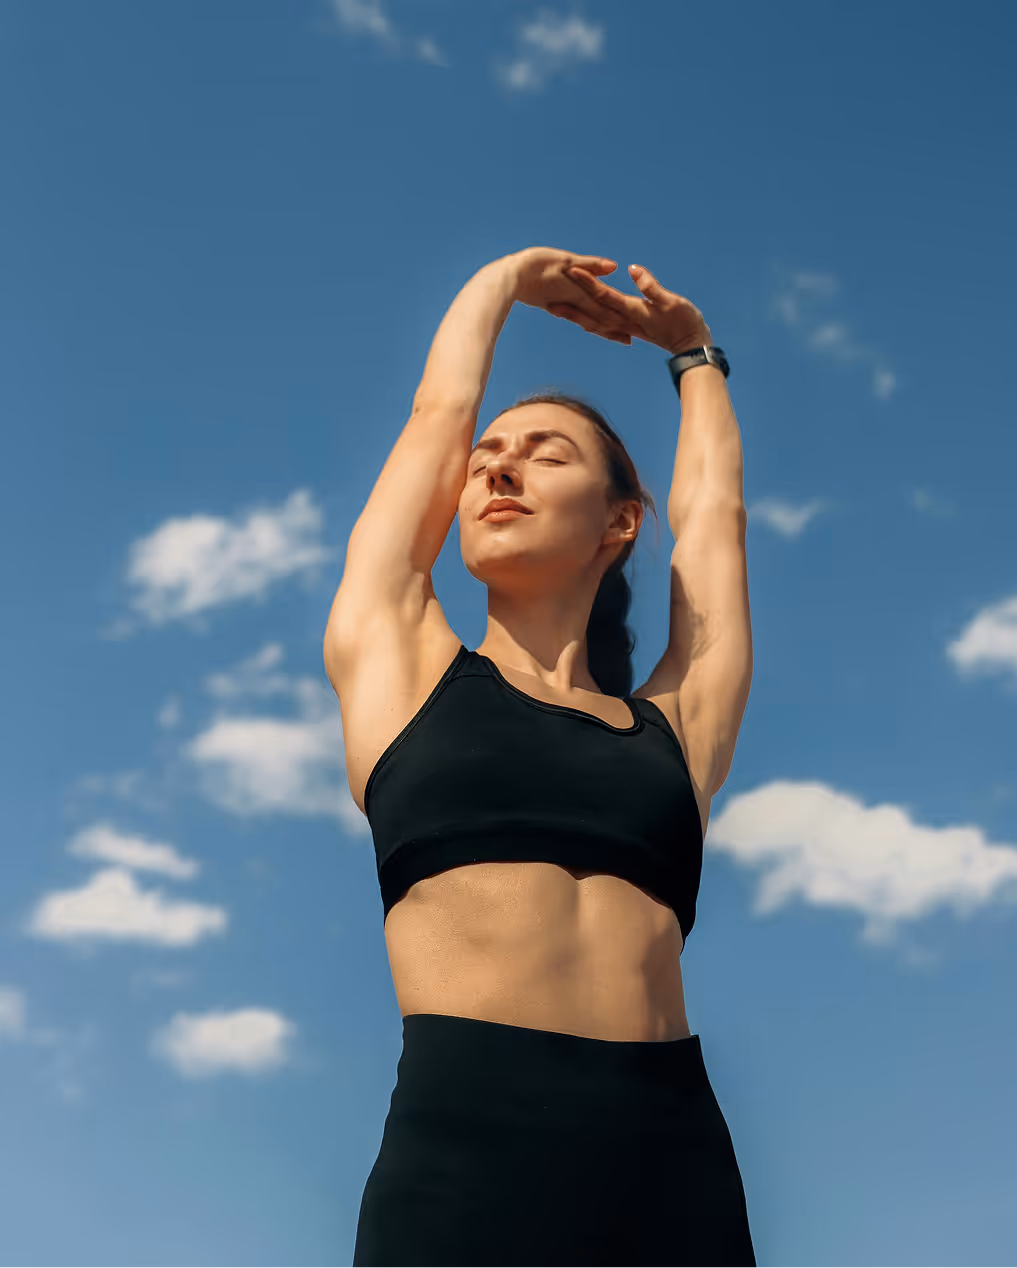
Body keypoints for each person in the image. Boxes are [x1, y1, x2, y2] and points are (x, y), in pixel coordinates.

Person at [324, 247, 756, 1266]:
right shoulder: (402, 666)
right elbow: (439, 420)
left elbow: (716, 531)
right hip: (465, 1157)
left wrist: (695, 355)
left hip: (672, 1160)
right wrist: (500, 285)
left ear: (619, 521)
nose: (497, 467)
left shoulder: (676, 728)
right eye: (489, 456)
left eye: (546, 453)